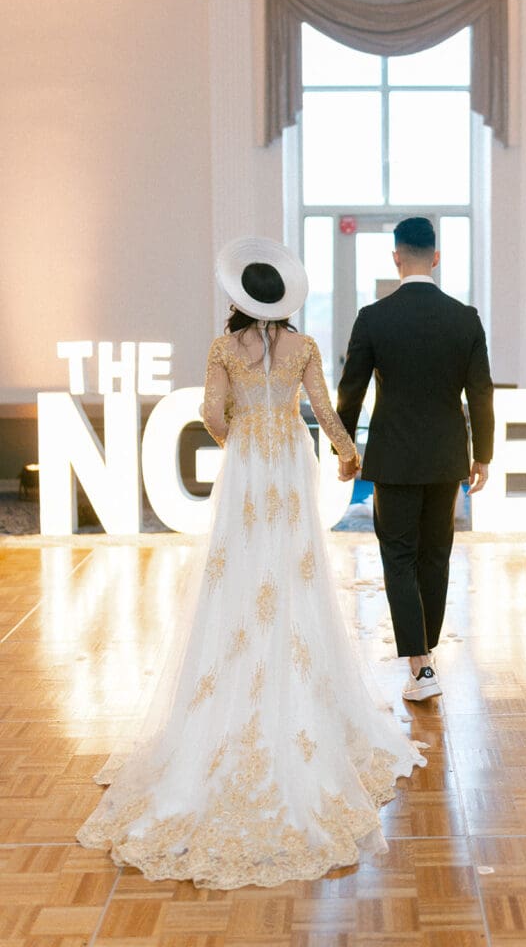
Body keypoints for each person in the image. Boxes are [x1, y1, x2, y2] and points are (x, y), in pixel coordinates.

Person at [75, 236, 427, 889]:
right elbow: (323, 410)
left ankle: (233, 678)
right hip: (290, 460)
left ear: (240, 297)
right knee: (293, 568)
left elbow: (212, 414)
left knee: (239, 566)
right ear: (283, 299)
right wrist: (348, 453)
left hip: (248, 463)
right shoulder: (303, 346)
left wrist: (239, 433)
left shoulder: (222, 348)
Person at [336, 217, 494, 703]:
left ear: (396, 258)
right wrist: (483, 455)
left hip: (394, 459)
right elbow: (481, 393)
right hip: (447, 458)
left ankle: (420, 665)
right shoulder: (465, 318)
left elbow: (350, 392)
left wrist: (345, 451)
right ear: (437, 258)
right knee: (436, 555)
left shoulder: (373, 317)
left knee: (399, 557)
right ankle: (426, 653)